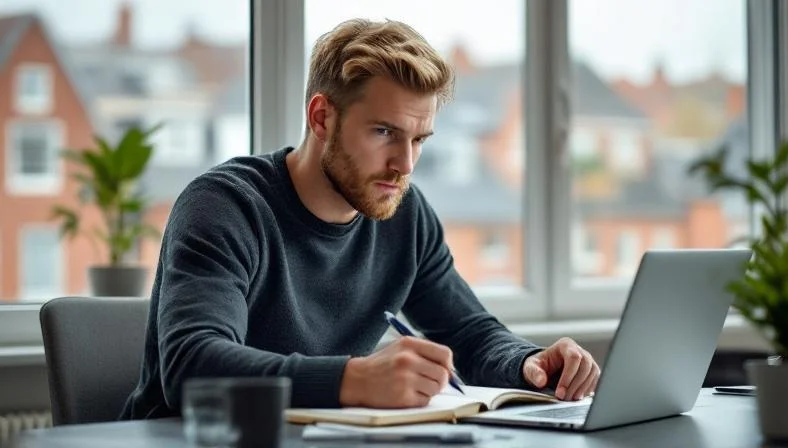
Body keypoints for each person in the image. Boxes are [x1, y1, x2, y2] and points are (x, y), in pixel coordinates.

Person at [121, 18, 601, 420]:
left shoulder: (403, 214)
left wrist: (531, 363)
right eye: (385, 132)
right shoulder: (226, 206)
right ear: (321, 117)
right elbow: (192, 367)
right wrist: (353, 378)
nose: (405, 165)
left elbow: (468, 334)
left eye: (419, 140)